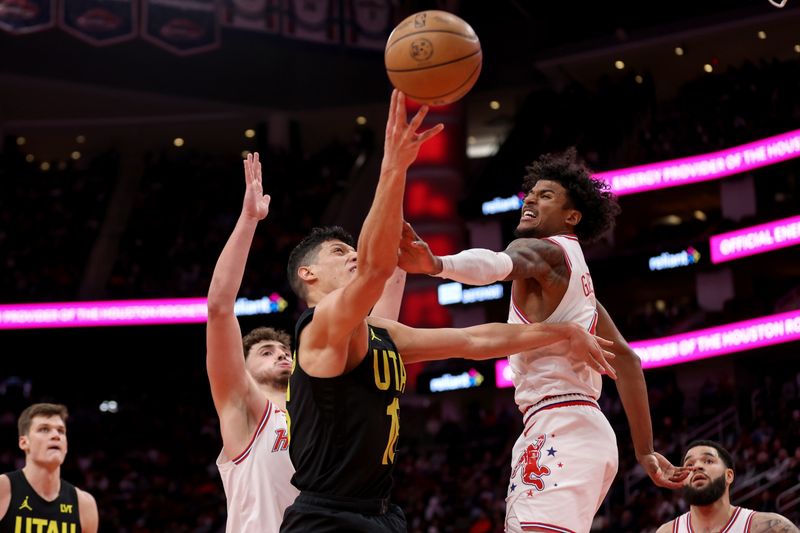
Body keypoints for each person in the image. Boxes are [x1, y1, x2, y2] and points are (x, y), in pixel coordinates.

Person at [280, 91, 616, 532]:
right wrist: (394, 166)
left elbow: (474, 341)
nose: (352, 256)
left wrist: (561, 332)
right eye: (340, 251)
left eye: (352, 248)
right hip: (325, 516)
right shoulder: (320, 327)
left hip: (379, 513)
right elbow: (377, 267)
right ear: (308, 274)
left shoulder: (380, 332)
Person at [398, 148, 690, 533]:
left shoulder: (545, 251)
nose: (531, 199)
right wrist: (645, 451)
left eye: (546, 195)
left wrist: (438, 264)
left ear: (572, 216)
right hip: (575, 428)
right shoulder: (581, 287)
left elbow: (497, 265)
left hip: (562, 424)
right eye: (530, 193)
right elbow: (629, 362)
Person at [206, 153, 406, 532]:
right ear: (241, 370)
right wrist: (249, 220)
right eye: (266, 351)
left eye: (284, 350)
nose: (281, 353)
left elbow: (382, 329)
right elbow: (218, 308)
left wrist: (395, 254)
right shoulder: (244, 410)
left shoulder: (319, 400)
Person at [657, 440, 799, 533]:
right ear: (683, 479)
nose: (697, 467)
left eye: (708, 461)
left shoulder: (771, 527)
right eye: (689, 464)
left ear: (729, 475)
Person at [0, 403, 98, 533]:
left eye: (61, 431)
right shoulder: (3, 488)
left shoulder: (84, 504)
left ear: (66, 446)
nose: (56, 435)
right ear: (24, 442)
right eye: (44, 429)